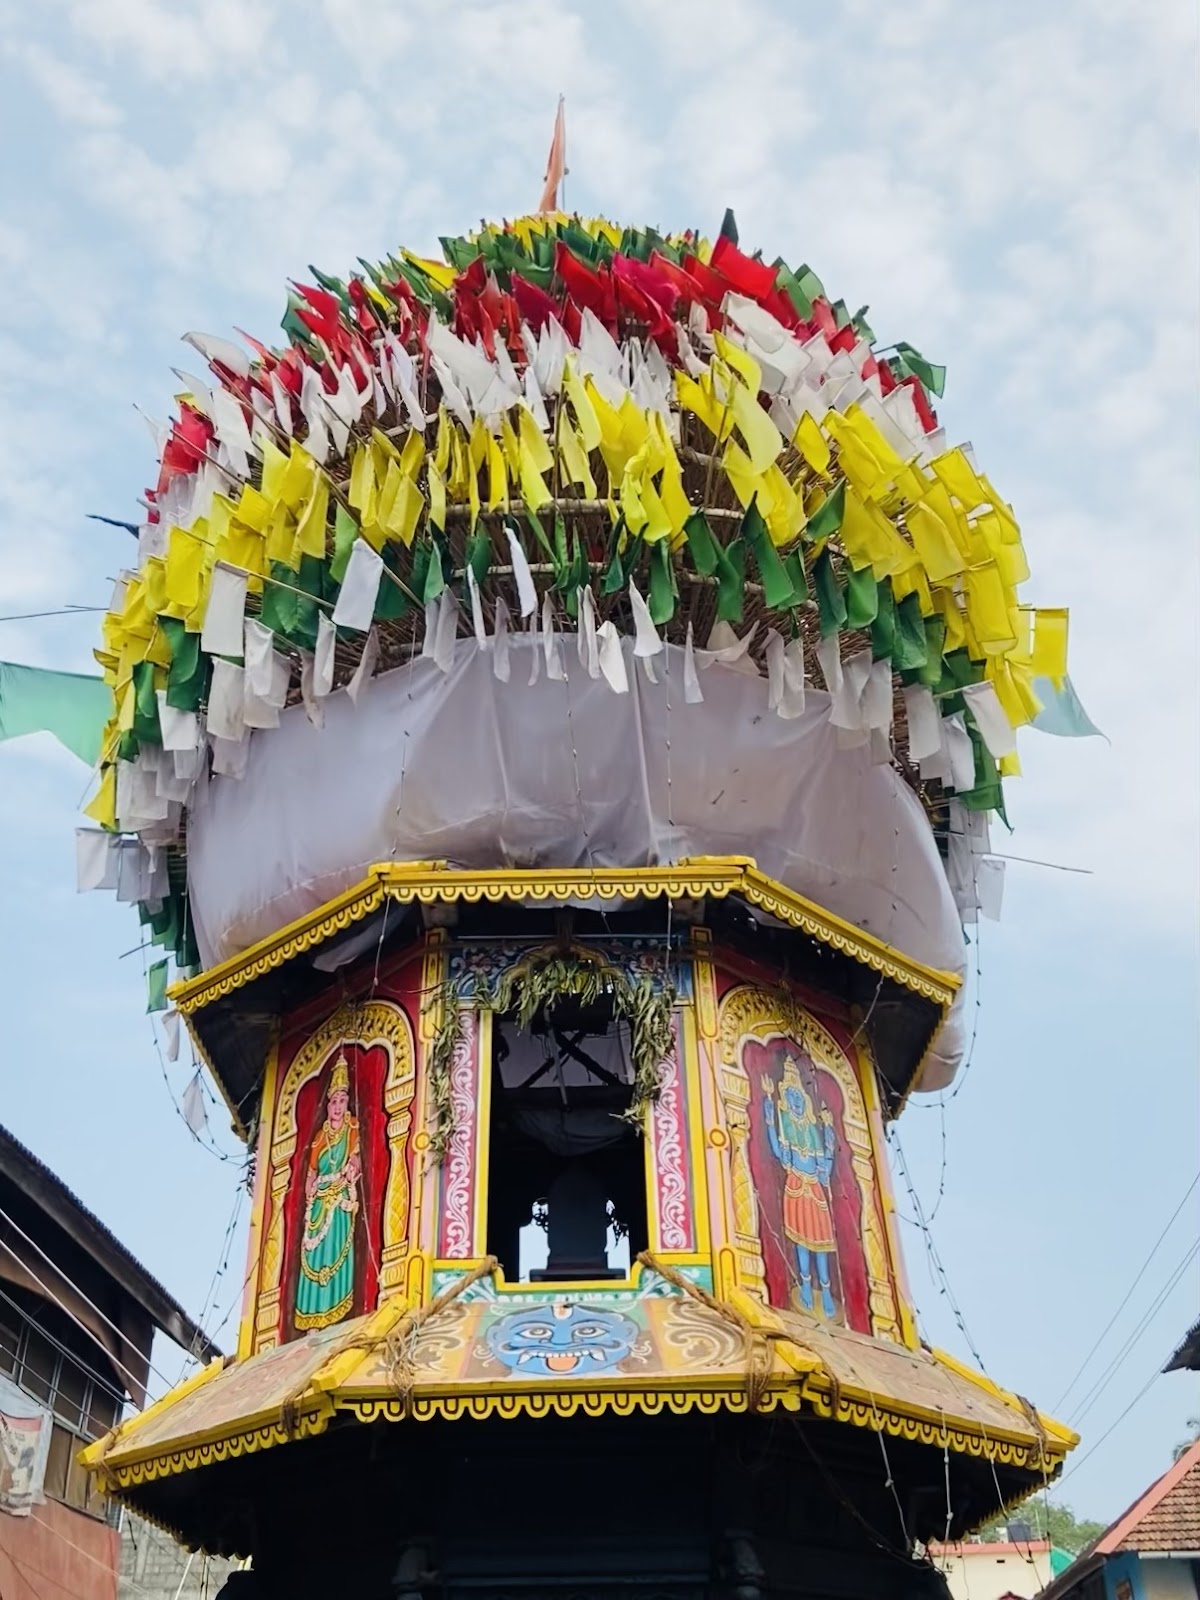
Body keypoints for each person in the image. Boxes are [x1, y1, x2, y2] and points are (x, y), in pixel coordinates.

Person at [761, 1054, 838, 1318]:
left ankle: (825, 1290)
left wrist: (828, 1134)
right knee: (801, 1243)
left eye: (798, 1097)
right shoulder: (788, 1128)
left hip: (813, 1189)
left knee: (822, 1243)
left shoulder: (810, 1132)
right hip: (795, 1186)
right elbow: (780, 1154)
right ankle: (805, 1285)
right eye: (790, 1097)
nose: (794, 1101)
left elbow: (825, 1170)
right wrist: (770, 1118)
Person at [294, 1054, 360, 1330]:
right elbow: (311, 1171)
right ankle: (312, 1316)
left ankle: (336, 1310)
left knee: (335, 1251)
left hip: (340, 1198)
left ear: (347, 1104)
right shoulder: (320, 1137)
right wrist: (310, 1191)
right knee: (313, 1254)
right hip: (319, 1201)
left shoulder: (352, 1128)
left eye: (341, 1101)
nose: (336, 1106)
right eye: (333, 1101)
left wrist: (351, 1170)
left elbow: (356, 1158)